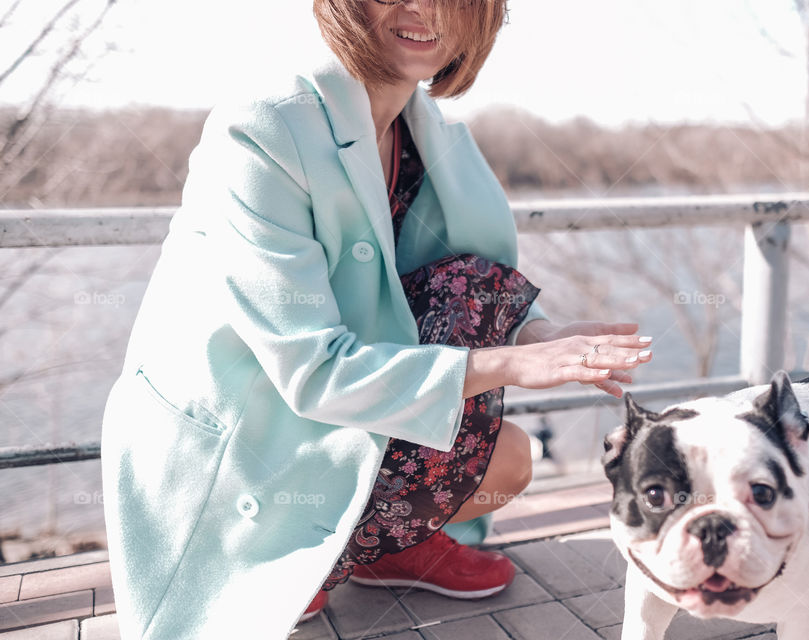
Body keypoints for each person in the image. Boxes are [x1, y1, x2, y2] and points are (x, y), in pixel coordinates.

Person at [99, 0, 653, 638]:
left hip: (340, 402)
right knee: (487, 450)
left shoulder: (430, 131)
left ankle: (389, 549)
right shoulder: (263, 127)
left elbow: (470, 280)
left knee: (509, 456)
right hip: (252, 433)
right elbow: (312, 370)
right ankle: (294, 561)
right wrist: (512, 363)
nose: (424, 8)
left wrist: (541, 336)